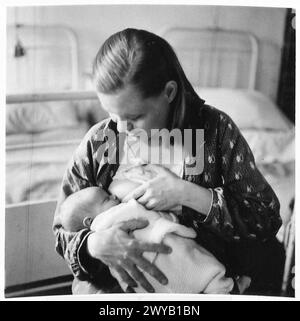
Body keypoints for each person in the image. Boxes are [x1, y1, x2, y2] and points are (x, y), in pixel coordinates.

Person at [53, 28, 285, 295]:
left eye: (136, 116)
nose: (123, 129)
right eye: (113, 114)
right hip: (115, 289)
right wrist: (94, 245)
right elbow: (62, 228)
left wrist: (190, 195)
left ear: (170, 92)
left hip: (199, 284)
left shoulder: (212, 132)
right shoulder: (103, 140)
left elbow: (265, 218)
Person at [60, 185, 234, 294]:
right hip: (136, 273)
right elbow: (62, 236)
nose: (114, 197)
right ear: (89, 222)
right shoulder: (96, 143)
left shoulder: (217, 132)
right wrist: (91, 243)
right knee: (203, 271)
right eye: (107, 198)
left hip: (157, 270)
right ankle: (222, 287)